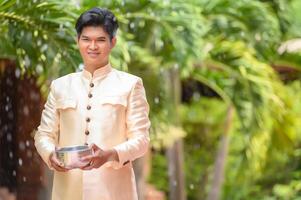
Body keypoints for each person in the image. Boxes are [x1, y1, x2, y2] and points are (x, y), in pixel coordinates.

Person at [34, 7, 150, 200]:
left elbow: (141, 141)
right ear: (77, 41)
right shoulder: (60, 86)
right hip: (67, 191)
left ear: (113, 42)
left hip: (113, 192)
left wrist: (110, 154)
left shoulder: (130, 85)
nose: (93, 46)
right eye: (86, 39)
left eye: (101, 40)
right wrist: (49, 154)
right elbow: (43, 134)